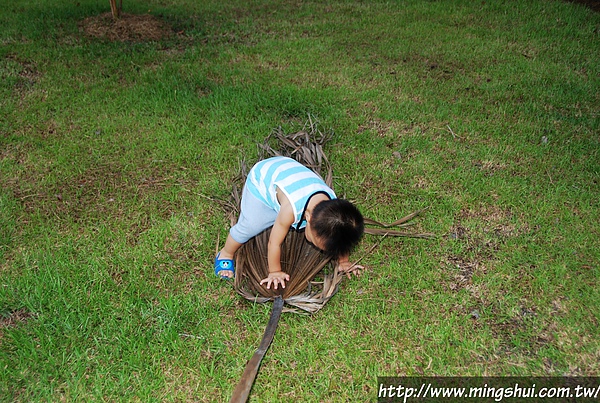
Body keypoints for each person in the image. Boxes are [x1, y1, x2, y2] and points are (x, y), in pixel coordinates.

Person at [214, 156, 364, 289]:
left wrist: (343, 261)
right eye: (316, 243)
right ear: (308, 218)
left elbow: (341, 236)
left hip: (287, 171)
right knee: (251, 225)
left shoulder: (334, 210)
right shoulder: (290, 211)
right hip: (262, 179)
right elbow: (274, 243)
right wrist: (275, 271)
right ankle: (226, 253)